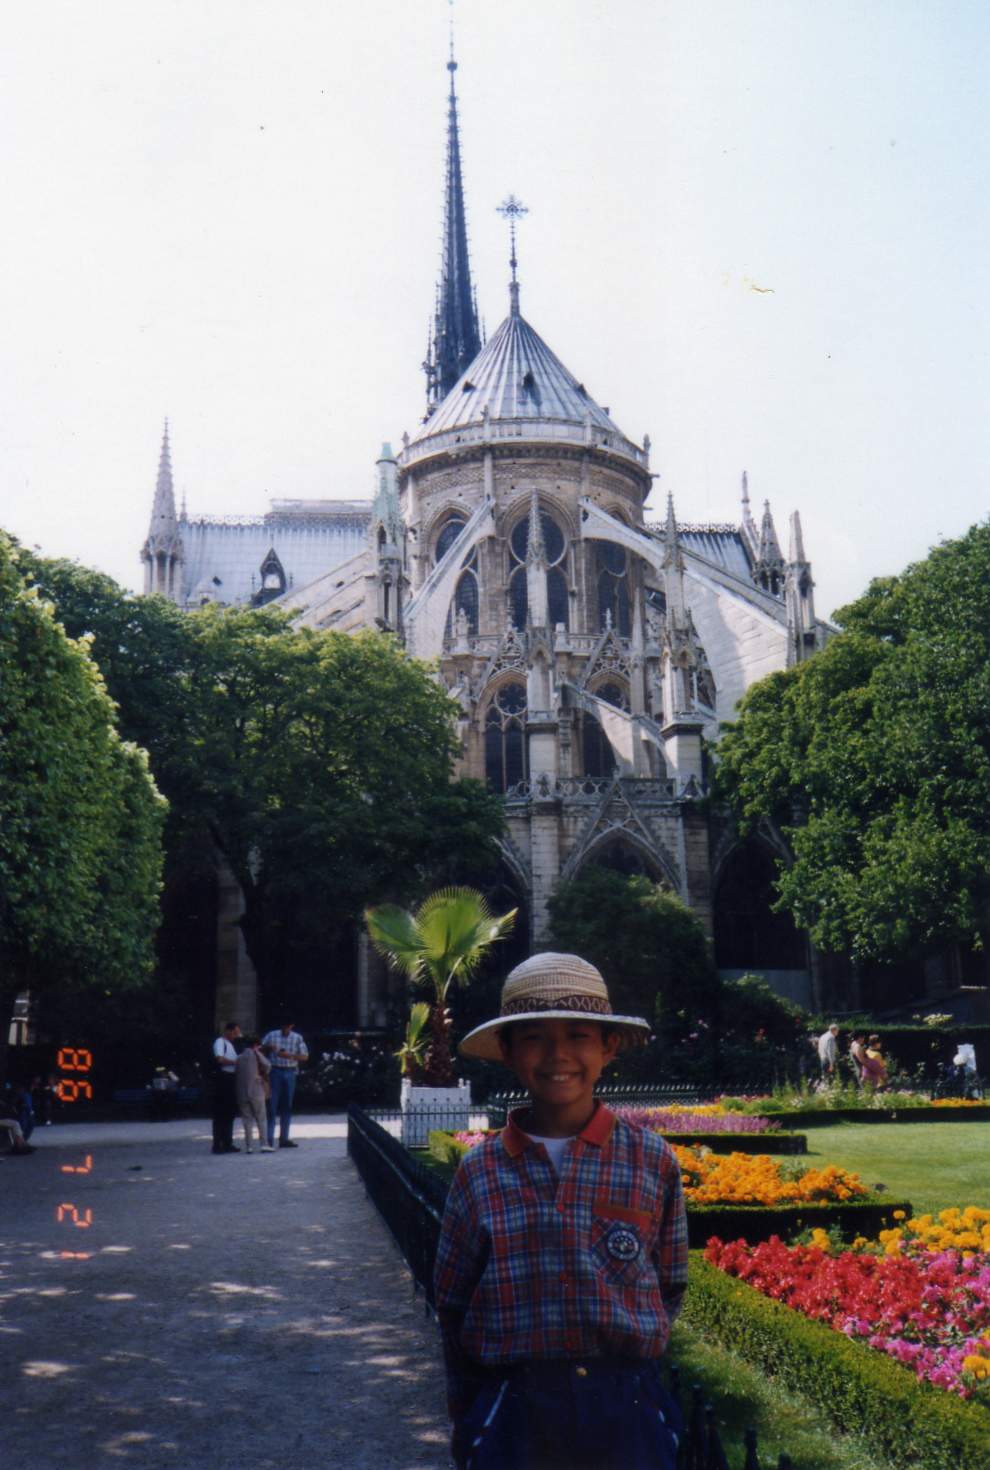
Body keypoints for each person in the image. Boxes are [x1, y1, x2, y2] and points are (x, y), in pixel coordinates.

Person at [434, 953, 686, 1470]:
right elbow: (453, 1302)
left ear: (608, 1047)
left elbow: (669, 1284)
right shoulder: (479, 1171)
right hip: (514, 1406)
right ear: (506, 1051)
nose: (558, 1055)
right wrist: (470, 1413)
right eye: (534, 1037)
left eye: (578, 1035)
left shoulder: (650, 1159)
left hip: (625, 1405)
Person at [262, 1019, 308, 1148]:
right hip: (274, 1070)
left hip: (290, 1071)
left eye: (287, 1026)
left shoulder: (297, 1038)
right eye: (283, 1026)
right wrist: (268, 1047)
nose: (285, 1029)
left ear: (292, 1026)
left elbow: (305, 1056)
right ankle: (269, 1139)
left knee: (287, 1105)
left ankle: (284, 1138)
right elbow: (259, 1048)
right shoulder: (272, 1035)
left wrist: (290, 1056)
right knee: (272, 1105)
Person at [235, 1036, 273, 1153]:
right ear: (256, 1045)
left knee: (247, 1120)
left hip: (241, 1092)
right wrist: (258, 1054)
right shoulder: (256, 1055)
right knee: (261, 1118)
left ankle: (249, 1146)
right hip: (256, 1090)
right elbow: (268, 1066)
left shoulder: (239, 1057)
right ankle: (264, 1144)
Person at [211, 1021, 241, 1154]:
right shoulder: (220, 1042)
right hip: (223, 1078)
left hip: (230, 1078)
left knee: (229, 1112)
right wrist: (235, 1062)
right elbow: (220, 1059)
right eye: (234, 1032)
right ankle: (218, 1144)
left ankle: (227, 1142)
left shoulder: (230, 1044)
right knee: (221, 1113)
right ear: (228, 1031)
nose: (236, 1035)